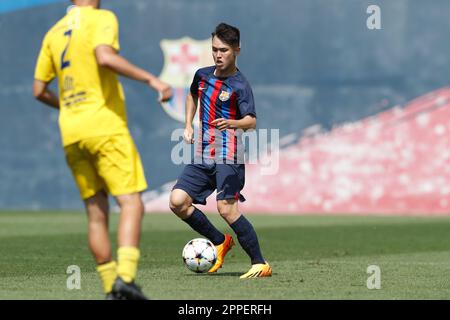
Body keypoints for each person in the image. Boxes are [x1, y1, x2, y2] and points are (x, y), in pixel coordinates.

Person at [33, 0, 172, 299]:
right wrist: (152, 79)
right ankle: (125, 278)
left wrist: (69, 108)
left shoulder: (53, 32)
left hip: (72, 132)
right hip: (104, 127)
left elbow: (38, 89)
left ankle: (111, 288)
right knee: (132, 203)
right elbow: (105, 57)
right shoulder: (101, 17)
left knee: (96, 214)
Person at [169, 23, 272, 278]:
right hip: (204, 154)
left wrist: (232, 123)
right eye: (214, 49)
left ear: (237, 50)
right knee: (178, 202)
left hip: (229, 155)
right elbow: (192, 95)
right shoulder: (202, 75)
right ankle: (219, 240)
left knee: (226, 209)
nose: (218, 55)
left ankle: (260, 263)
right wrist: (188, 125)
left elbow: (251, 122)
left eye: (224, 50)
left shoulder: (240, 84)